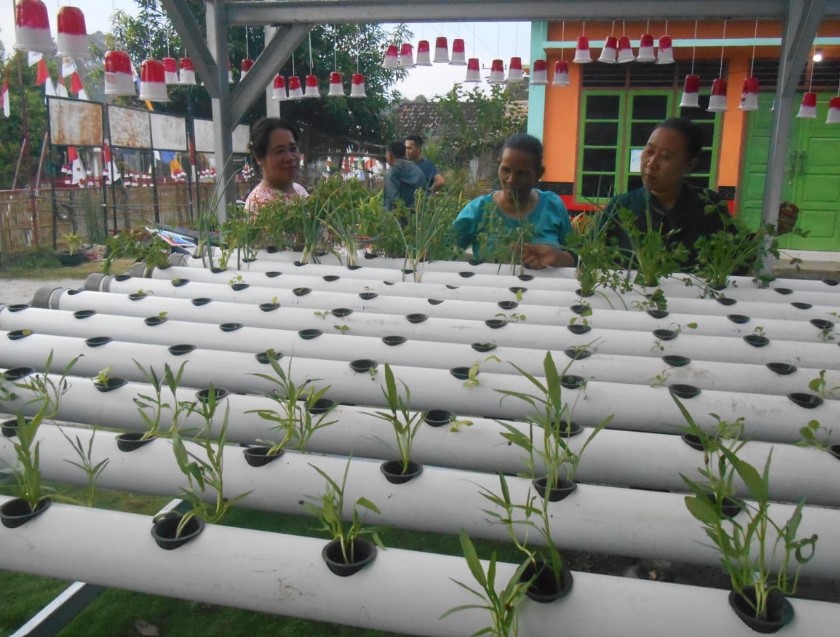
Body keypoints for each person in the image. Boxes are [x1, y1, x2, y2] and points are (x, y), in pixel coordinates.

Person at [602, 117, 730, 258]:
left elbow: (733, 259)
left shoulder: (710, 206)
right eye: (649, 151)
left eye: (665, 157)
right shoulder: (621, 206)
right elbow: (586, 254)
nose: (651, 163)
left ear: (689, 165)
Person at [452, 133, 575, 269]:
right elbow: (442, 251)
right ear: (499, 166)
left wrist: (556, 257)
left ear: (539, 174)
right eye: (506, 170)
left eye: (522, 173)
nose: (511, 179)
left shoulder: (552, 205)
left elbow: (578, 259)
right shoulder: (478, 209)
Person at [244, 118, 308, 217]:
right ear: (259, 158)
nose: (290, 157)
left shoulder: (299, 190)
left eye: (293, 148)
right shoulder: (259, 204)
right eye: (279, 151)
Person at [383, 140, 427, 211]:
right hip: (418, 215)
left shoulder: (390, 173)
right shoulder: (417, 169)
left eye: (386, 153)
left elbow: (393, 200)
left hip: (397, 218)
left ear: (390, 155)